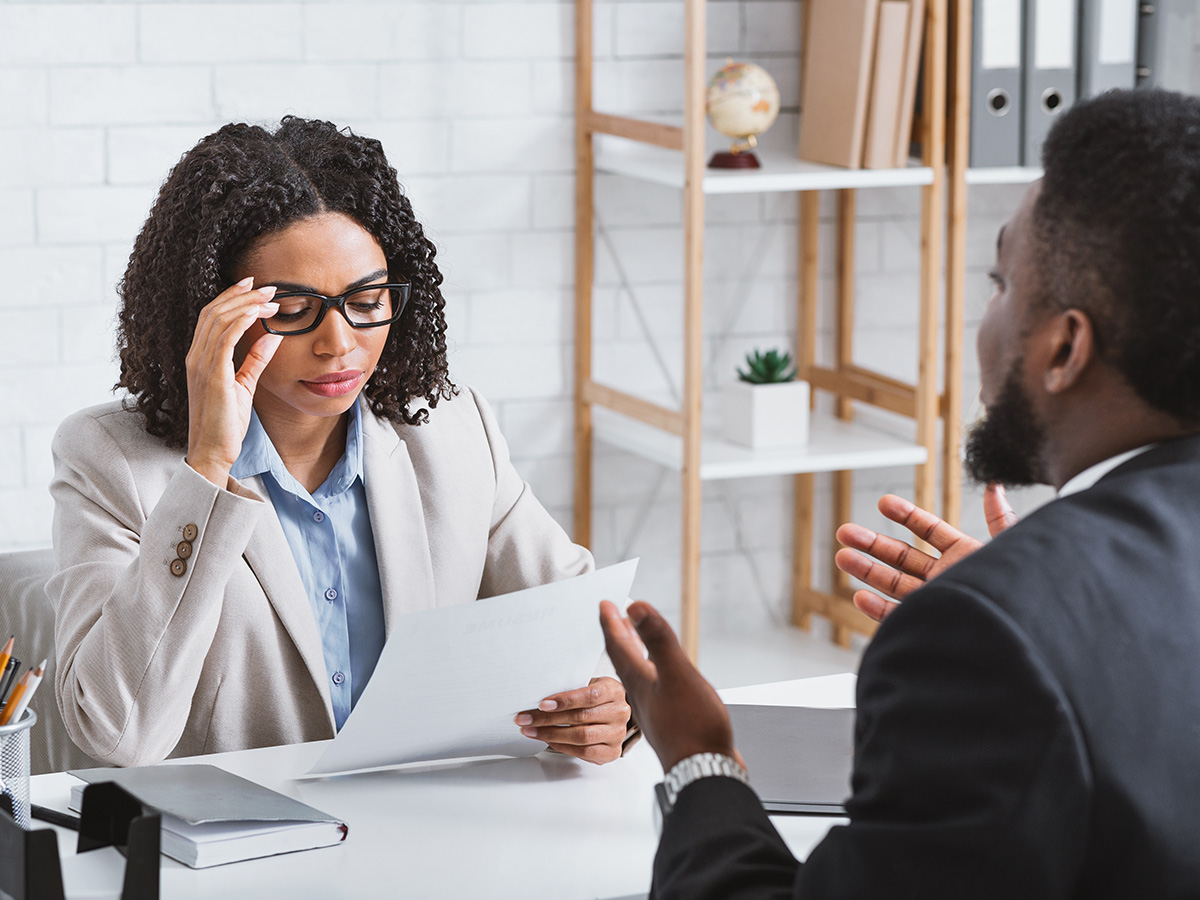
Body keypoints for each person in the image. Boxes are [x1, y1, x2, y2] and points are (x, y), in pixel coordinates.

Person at [601, 88, 1200, 897]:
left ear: (1064, 348)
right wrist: (1032, 605)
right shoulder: (1012, 618)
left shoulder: (985, 635)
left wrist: (701, 760)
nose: (982, 325)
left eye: (998, 284)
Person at [48, 116, 632, 768]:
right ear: (210, 316)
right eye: (292, 310)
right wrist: (208, 467)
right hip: (237, 854)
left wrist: (613, 703)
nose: (339, 343)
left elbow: (592, 628)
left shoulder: (453, 433)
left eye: (367, 299)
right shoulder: (110, 462)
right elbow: (116, 736)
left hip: (429, 830)